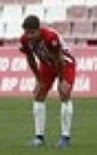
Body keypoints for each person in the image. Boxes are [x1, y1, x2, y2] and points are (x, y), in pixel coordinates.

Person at [20, 15, 76, 148]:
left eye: (32, 32)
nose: (29, 36)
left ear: (39, 30)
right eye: (27, 32)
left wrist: (62, 80)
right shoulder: (24, 40)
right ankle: (39, 137)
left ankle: (65, 137)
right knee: (38, 94)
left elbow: (59, 59)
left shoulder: (50, 37)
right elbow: (31, 59)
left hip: (65, 63)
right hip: (46, 64)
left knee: (64, 93)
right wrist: (38, 79)